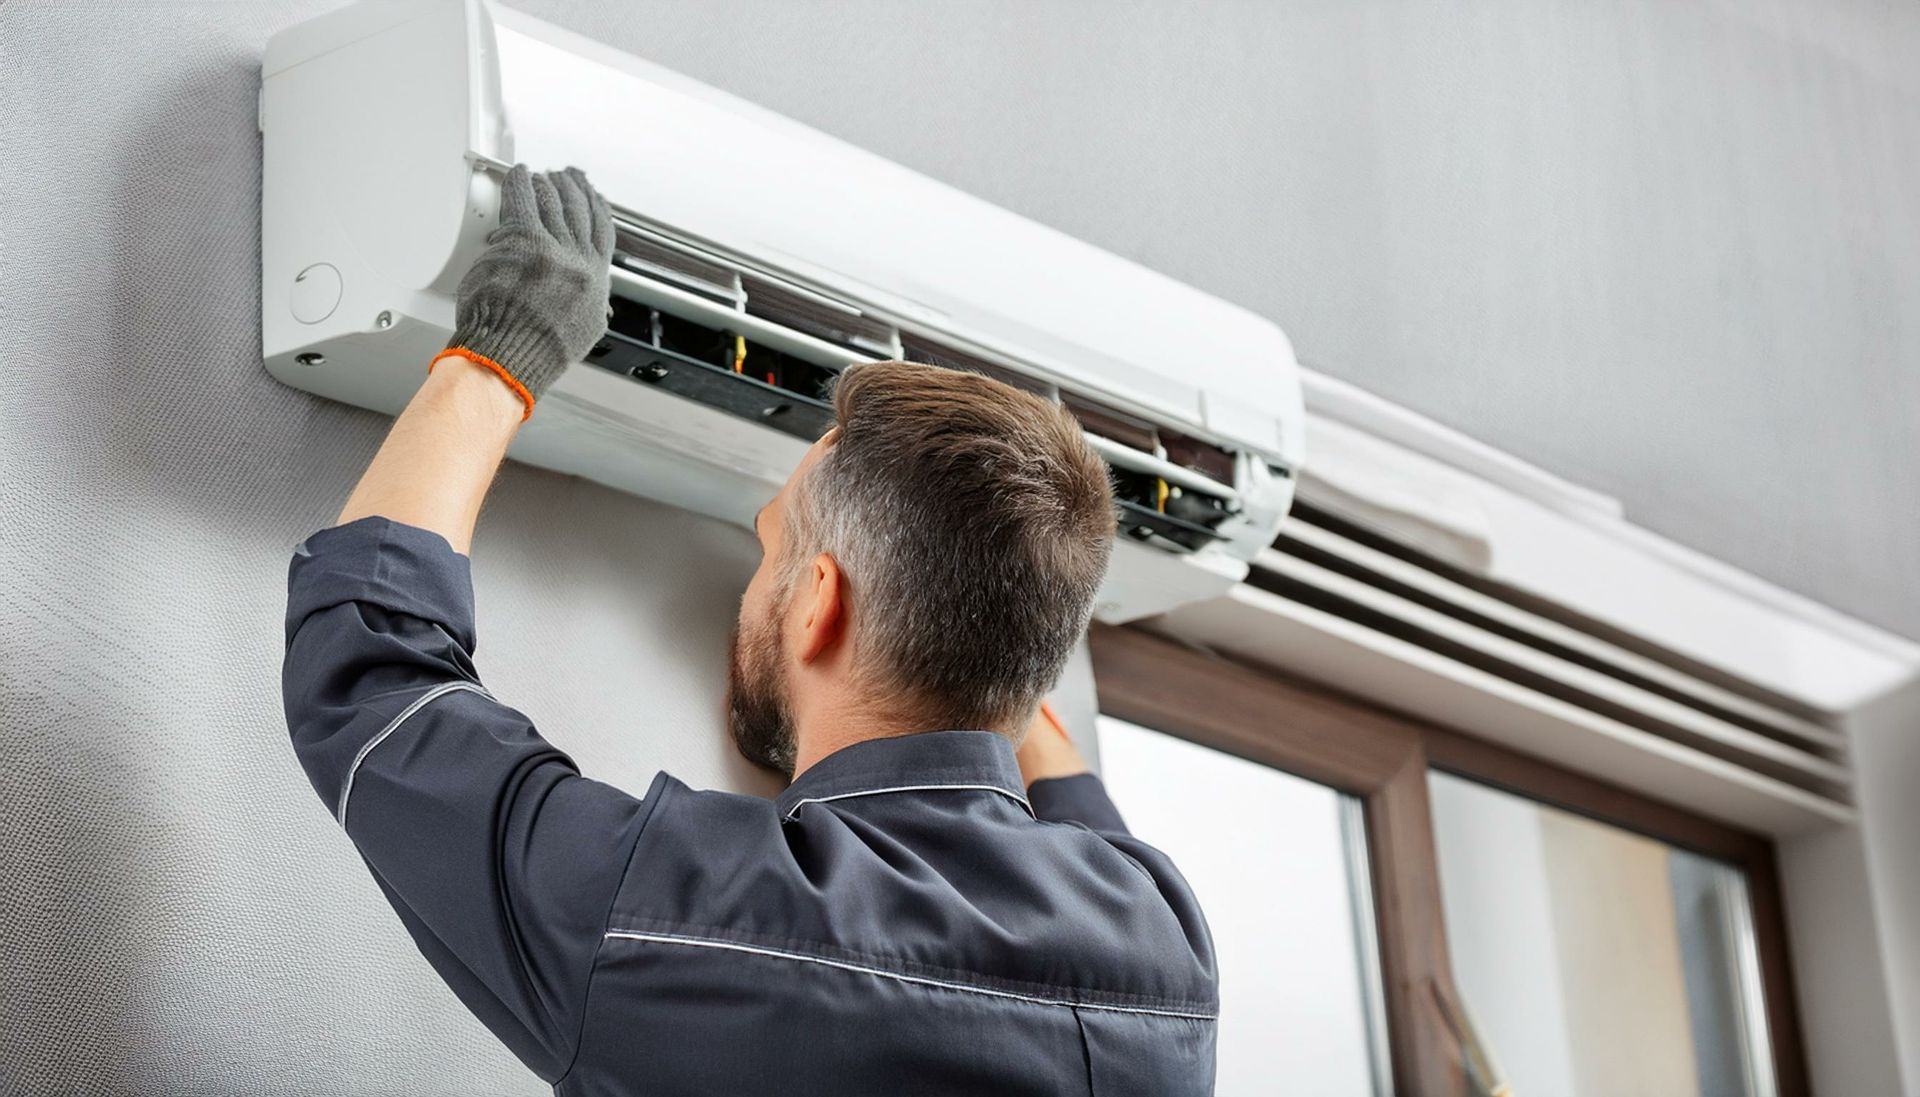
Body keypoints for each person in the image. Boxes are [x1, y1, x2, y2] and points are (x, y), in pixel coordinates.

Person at [281, 164, 1217, 1095]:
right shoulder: (1164, 949)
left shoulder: (688, 916)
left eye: (771, 548)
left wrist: (496, 361)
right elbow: (1060, 781)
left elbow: (372, 679)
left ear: (817, 605)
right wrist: (998, 608)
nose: (753, 581)